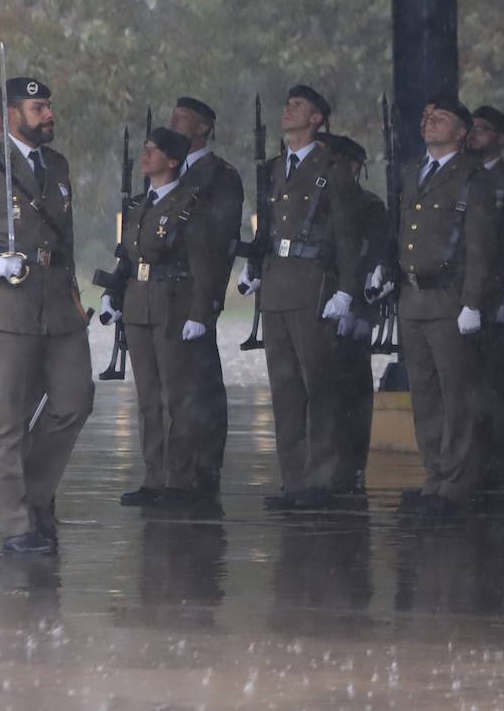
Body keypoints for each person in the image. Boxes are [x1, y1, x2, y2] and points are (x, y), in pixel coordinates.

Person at [0, 76, 94, 554]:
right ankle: (18, 525)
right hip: (8, 303)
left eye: (48, 105)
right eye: (37, 107)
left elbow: (64, 238)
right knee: (10, 418)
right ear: (11, 115)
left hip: (58, 303)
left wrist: (73, 295)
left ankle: (36, 496)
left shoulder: (57, 164)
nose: (48, 114)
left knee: (74, 400)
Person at [238, 85, 363, 510]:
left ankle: (321, 480)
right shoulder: (274, 169)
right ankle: (293, 480)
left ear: (316, 119)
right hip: (278, 284)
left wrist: (346, 289)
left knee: (320, 388)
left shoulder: (333, 169)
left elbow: (348, 236)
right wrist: (254, 265)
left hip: (314, 284)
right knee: (286, 390)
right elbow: (267, 228)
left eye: (298, 106)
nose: (288, 110)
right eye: (287, 103)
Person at [102, 127, 221, 507]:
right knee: (148, 398)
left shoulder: (191, 204)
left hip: (173, 304)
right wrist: (112, 294)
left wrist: (199, 312)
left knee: (177, 397)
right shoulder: (139, 204)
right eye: (145, 148)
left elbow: (204, 263)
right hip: (138, 304)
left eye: (153, 150)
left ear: (172, 160)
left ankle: (178, 479)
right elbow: (127, 257)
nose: (145, 155)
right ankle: (153, 477)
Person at [395, 97, 497, 516]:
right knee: (425, 395)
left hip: (450, 298)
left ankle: (455, 483)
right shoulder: (412, 172)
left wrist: (472, 301)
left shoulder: (472, 178)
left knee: (456, 396)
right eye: (426, 117)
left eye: (441, 118)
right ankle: (434, 476)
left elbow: (481, 247)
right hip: (414, 298)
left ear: (462, 133)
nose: (429, 122)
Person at [169, 96, 243, 497]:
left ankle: (204, 469)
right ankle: (175, 472)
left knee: (202, 384)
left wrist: (207, 301)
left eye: (182, 119)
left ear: (202, 128)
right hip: (166, 291)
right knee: (174, 386)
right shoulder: (168, 171)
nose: (173, 123)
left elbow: (219, 242)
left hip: (197, 289)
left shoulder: (219, 176)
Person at [320, 133, 386, 499]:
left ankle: (351, 464)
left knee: (352, 391)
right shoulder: (317, 200)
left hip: (351, 307)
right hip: (317, 302)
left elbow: (371, 257)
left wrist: (360, 308)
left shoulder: (368, 205)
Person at [468, 104, 504, 491]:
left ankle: (502, 463)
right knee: (469, 382)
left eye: (483, 129)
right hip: (467, 291)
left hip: (500, 290)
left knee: (501, 383)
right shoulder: (463, 175)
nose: (474, 135)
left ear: (501, 138)